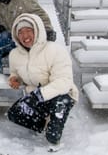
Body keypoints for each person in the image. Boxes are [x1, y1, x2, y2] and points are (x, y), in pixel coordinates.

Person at [6, 13, 78, 152]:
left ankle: (54, 127)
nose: (24, 35)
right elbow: (15, 72)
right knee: (14, 114)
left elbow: (64, 81)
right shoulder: (14, 54)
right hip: (36, 95)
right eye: (20, 32)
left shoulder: (55, 50)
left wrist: (39, 95)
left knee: (53, 135)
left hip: (61, 94)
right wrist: (14, 78)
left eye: (28, 30)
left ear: (37, 31)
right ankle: (45, 122)